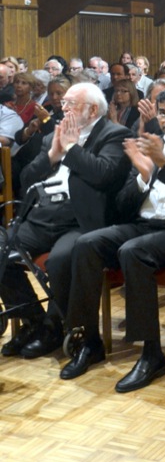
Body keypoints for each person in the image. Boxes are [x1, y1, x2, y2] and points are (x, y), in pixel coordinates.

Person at [63, 88, 165, 390]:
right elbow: (123, 206)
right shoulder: (148, 146)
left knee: (133, 252)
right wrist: (142, 177)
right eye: (163, 113)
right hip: (144, 225)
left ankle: (152, 355)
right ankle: (90, 341)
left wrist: (163, 164)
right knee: (86, 244)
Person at [0, 83, 131, 359]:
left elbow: (103, 175)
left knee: (60, 260)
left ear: (92, 110)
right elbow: (26, 179)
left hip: (80, 220)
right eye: (64, 104)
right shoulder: (53, 136)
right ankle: (35, 322)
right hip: (43, 215)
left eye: (71, 104)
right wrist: (53, 155)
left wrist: (70, 148)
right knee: (1, 249)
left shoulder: (114, 134)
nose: (63, 109)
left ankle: (57, 327)